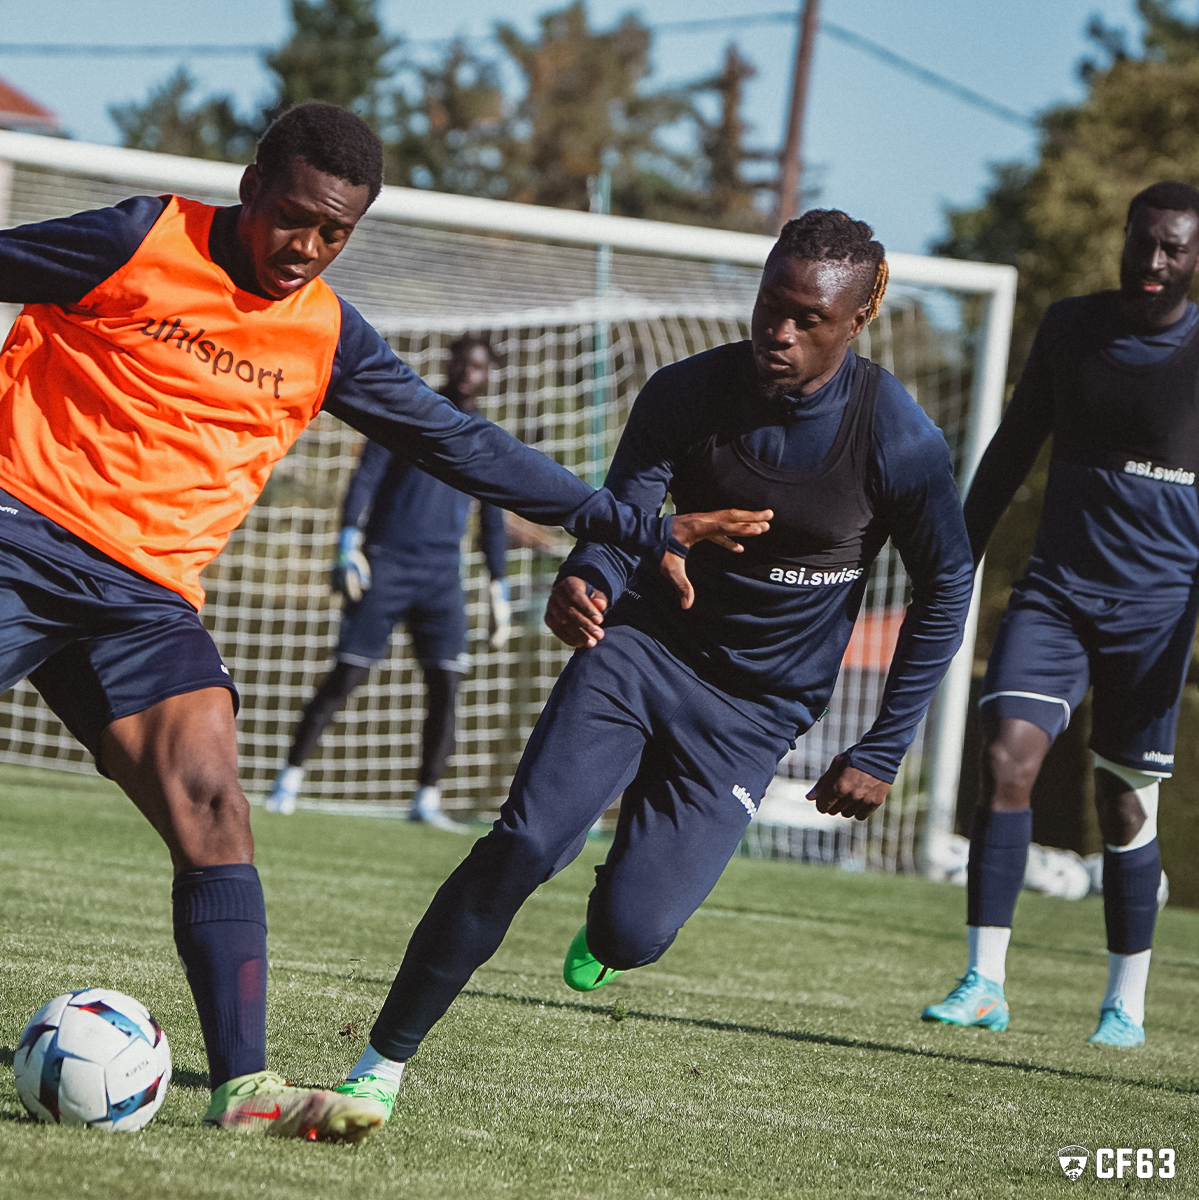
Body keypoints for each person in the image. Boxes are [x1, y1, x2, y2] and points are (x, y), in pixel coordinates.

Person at [0, 103, 679, 1143]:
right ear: (250, 188)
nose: (307, 248)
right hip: (18, 545)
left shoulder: (328, 334)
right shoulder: (137, 241)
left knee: (213, 806)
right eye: (294, 218)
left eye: (335, 233)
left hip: (145, 599)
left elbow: (457, 443)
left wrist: (623, 525)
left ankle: (245, 1088)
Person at [329, 210, 974, 1124]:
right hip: (641, 652)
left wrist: (884, 744)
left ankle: (613, 916)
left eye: (808, 319)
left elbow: (947, 590)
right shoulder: (685, 392)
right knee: (523, 843)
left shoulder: (897, 441)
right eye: (768, 306)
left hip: (755, 713)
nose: (777, 333)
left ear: (858, 319)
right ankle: (380, 1062)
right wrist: (586, 578)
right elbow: (621, 513)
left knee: (635, 935)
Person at [920, 181, 1199, 1049]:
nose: (1154, 262)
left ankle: (1125, 1002)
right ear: (1123, 237)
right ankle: (984, 982)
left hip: (1157, 611)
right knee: (1006, 757)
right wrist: (953, 554)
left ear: (1197, 258)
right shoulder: (1072, 326)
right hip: (1056, 594)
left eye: (1175, 249)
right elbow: (1013, 443)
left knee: (1123, 807)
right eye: (1143, 241)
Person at [265, 335, 509, 828]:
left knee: (446, 683)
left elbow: (494, 515)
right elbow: (367, 475)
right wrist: (348, 539)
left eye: (479, 366)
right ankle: (286, 780)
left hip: (441, 576)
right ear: (450, 363)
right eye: (462, 362)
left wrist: (497, 584)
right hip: (386, 564)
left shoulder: (484, 436)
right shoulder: (412, 411)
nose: (468, 372)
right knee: (347, 674)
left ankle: (426, 798)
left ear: (489, 375)